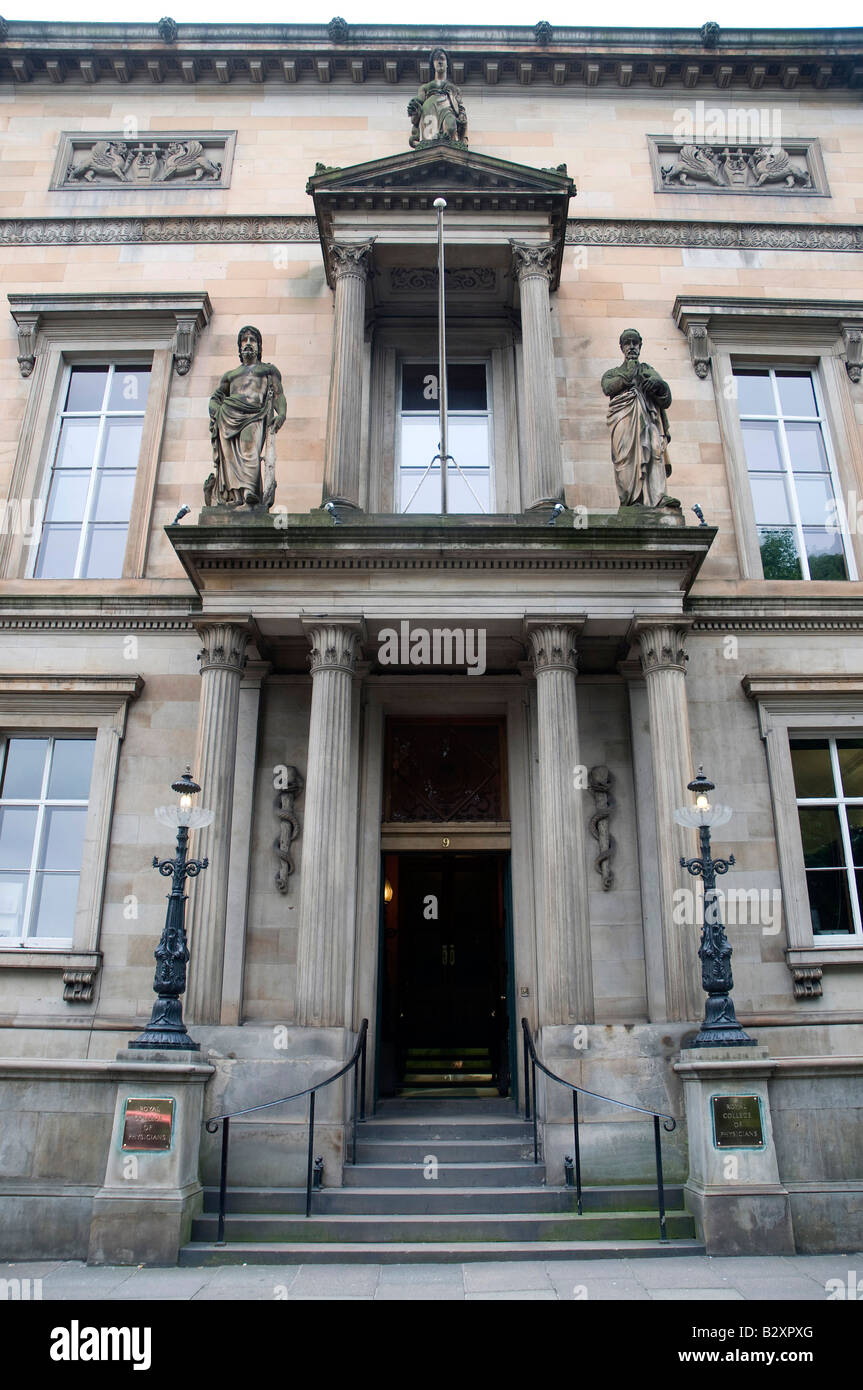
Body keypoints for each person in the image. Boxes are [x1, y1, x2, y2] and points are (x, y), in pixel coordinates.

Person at [205, 326, 286, 509]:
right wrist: (217, 411)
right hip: (228, 416)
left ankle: (250, 490)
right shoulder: (230, 375)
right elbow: (215, 398)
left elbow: (279, 395)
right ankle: (236, 496)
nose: (248, 343)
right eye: (244, 340)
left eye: (252, 340)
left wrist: (281, 414)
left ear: (259, 346)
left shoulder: (267, 370)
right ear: (240, 347)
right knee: (230, 459)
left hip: (254, 415)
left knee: (249, 448)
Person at [600, 329, 676, 509]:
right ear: (622, 347)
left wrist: (657, 385)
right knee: (625, 455)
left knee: (655, 451)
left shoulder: (649, 370)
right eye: (628, 343)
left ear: (640, 346)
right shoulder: (613, 373)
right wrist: (628, 375)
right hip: (624, 418)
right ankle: (631, 500)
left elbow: (666, 399)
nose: (632, 346)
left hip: (649, 419)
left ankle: (658, 497)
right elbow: (607, 387)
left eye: (635, 343)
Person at [408, 48, 468, 148]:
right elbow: (419, 101)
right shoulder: (425, 87)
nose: (439, 62)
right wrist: (414, 106)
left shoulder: (454, 89)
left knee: (450, 127)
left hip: (448, 109)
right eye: (436, 59)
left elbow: (460, 109)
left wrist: (464, 134)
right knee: (430, 144)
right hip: (429, 110)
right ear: (433, 64)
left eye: (442, 59)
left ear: (447, 63)